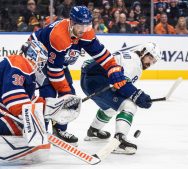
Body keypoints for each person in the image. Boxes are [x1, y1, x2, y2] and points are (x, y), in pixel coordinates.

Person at [0, 40, 82, 167]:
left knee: (33, 128)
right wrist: (47, 113)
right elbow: (16, 104)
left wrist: (57, 105)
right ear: (32, 56)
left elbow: (28, 101)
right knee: (32, 134)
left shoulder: (21, 67)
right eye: (41, 61)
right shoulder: (20, 64)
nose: (41, 65)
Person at [29, 6, 127, 145]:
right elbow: (54, 71)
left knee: (71, 97)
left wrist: (113, 69)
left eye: (87, 25)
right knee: (48, 94)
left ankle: (59, 129)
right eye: (81, 25)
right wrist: (65, 92)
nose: (84, 30)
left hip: (57, 63)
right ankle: (41, 131)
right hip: (38, 59)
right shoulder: (59, 36)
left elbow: (102, 55)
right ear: (72, 23)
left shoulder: (86, 32)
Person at [81, 42, 161, 154]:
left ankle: (93, 130)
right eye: (150, 57)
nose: (151, 63)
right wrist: (138, 96)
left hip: (89, 81)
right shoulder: (134, 60)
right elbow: (122, 82)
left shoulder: (130, 57)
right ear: (143, 52)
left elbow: (121, 85)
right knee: (129, 105)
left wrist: (135, 94)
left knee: (112, 108)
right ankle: (120, 141)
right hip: (98, 82)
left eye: (154, 61)